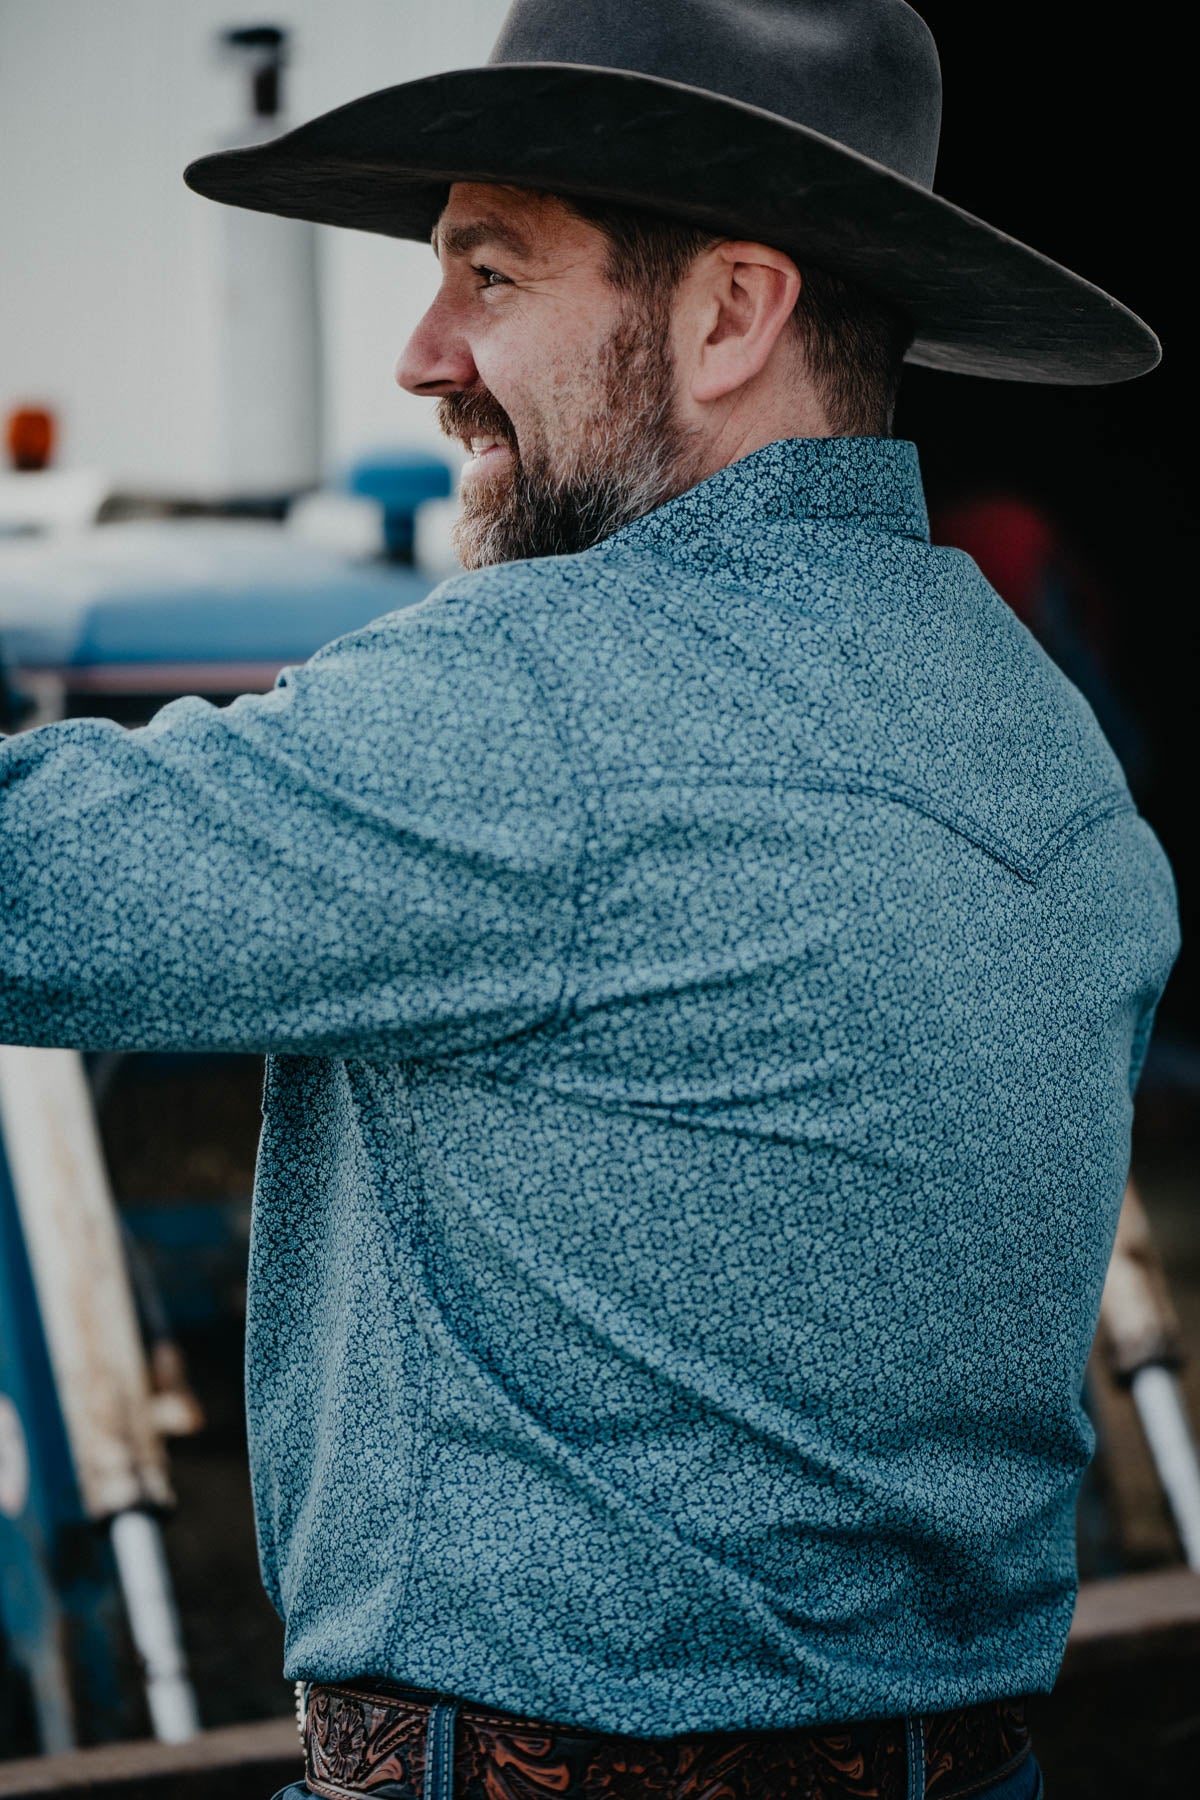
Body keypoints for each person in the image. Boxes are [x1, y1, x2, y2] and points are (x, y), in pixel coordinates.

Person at [5, 4, 1179, 1797]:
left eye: (489, 270)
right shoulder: (1043, 740)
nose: (421, 352)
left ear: (730, 313)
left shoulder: (542, 697)